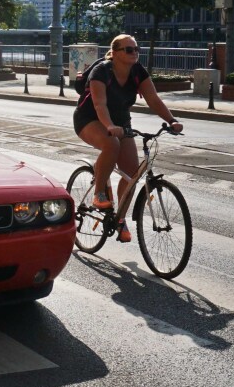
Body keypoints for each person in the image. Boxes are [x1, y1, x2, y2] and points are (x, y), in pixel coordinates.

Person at [73, 33, 183, 243]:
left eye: (136, 49)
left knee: (131, 173)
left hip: (121, 123)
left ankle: (120, 219)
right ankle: (99, 194)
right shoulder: (101, 71)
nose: (135, 53)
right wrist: (109, 126)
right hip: (89, 119)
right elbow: (99, 105)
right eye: (129, 49)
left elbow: (152, 98)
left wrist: (171, 120)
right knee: (110, 144)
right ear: (114, 53)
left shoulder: (137, 71)